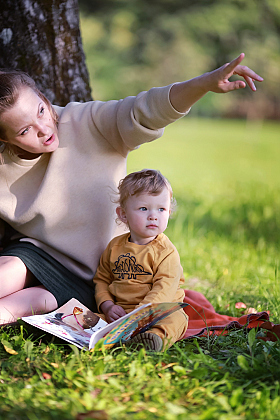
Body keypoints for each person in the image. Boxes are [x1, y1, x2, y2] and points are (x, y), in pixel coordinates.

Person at [0, 53, 263, 326]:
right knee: (8, 271)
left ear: (42, 96)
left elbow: (146, 109)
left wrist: (204, 83)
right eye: (24, 131)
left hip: (105, 273)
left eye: (41, 111)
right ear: (4, 138)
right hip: (38, 254)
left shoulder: (88, 122)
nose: (43, 129)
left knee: (33, 301)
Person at [93, 169, 188, 351]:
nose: (153, 215)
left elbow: (163, 290)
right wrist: (107, 305)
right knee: (88, 320)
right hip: (121, 314)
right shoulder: (115, 246)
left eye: (161, 209)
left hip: (158, 311)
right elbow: (102, 279)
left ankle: (153, 339)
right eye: (144, 208)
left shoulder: (166, 252)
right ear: (123, 214)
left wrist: (139, 316)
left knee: (177, 320)